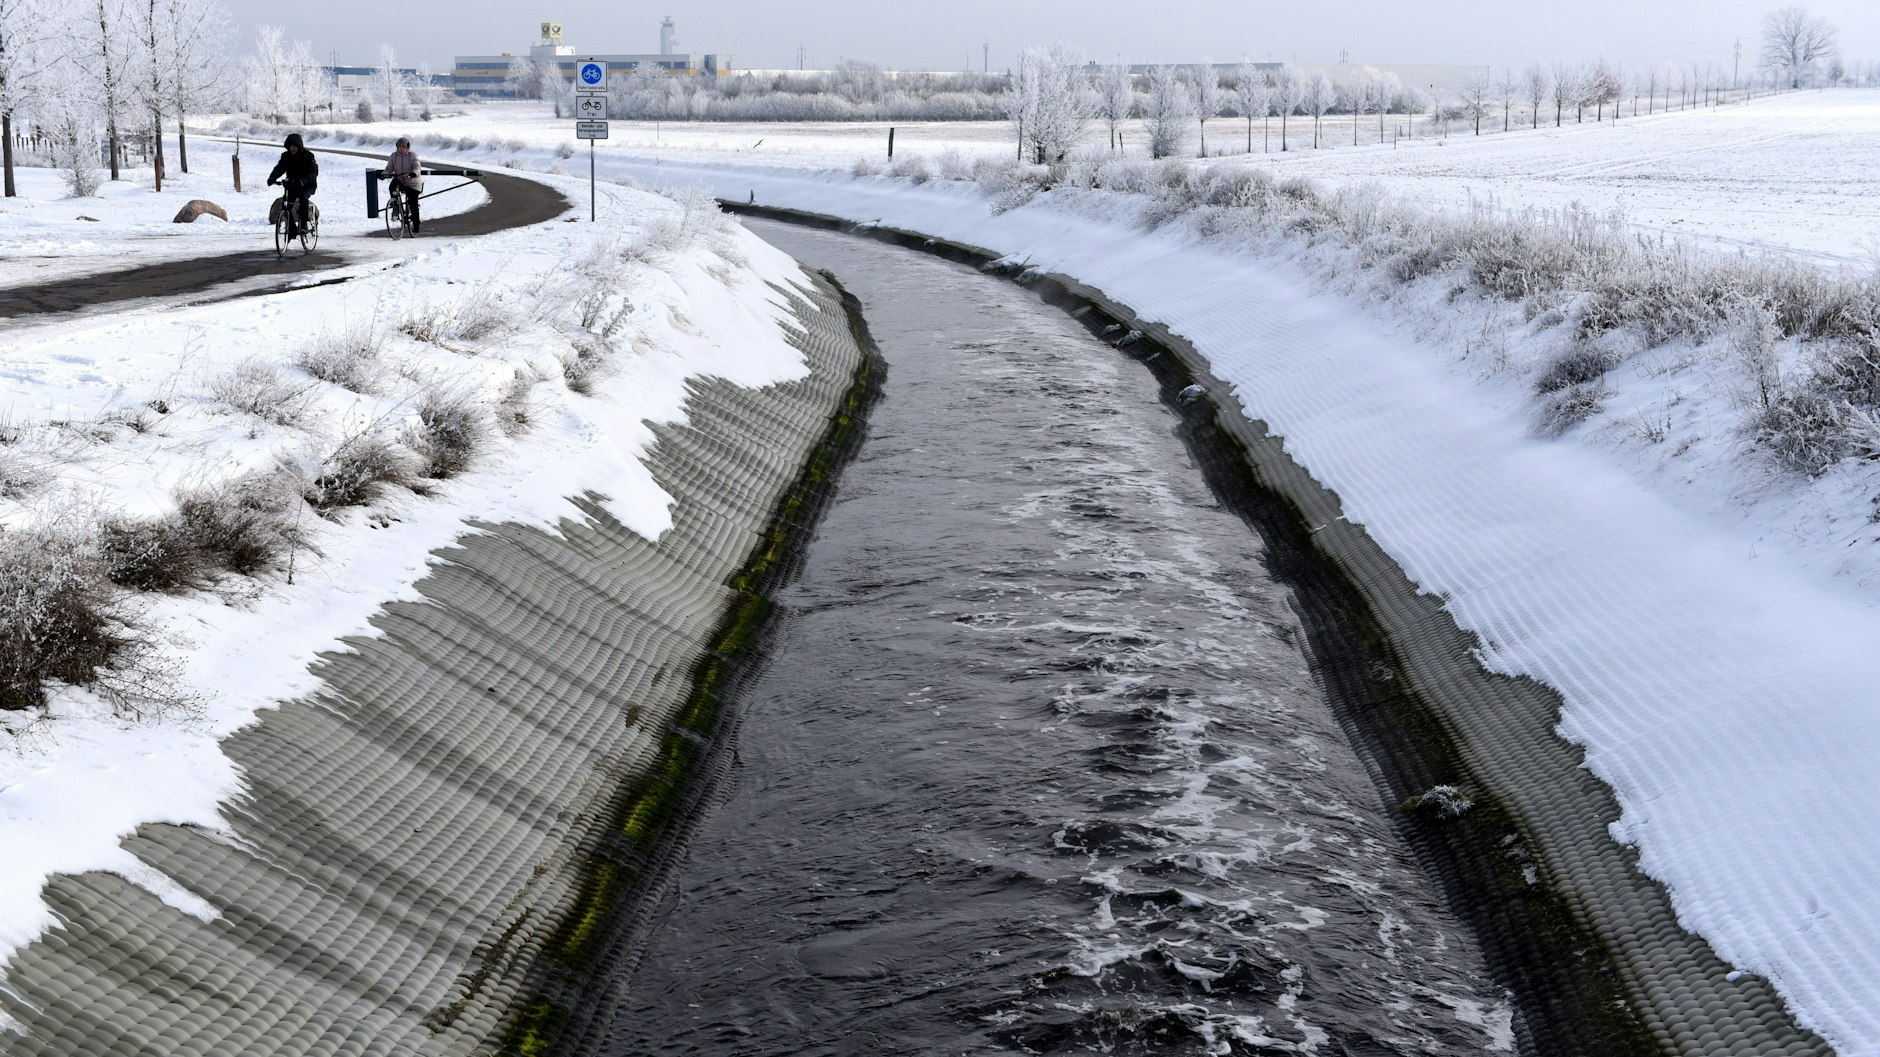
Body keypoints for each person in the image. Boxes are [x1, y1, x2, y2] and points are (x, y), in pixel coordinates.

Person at [265, 132, 319, 239]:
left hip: (307, 185)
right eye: (291, 146)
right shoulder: (286, 156)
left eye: (295, 146)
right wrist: (272, 178)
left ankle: (303, 224)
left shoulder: (308, 156)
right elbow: (279, 168)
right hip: (292, 184)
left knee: (303, 197)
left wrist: (303, 181)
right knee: (287, 204)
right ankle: (292, 230)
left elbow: (313, 173)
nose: (293, 149)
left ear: (299, 146)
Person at [378, 136, 424, 234]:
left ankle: (416, 224)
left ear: (407, 147)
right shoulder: (394, 156)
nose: (401, 149)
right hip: (401, 181)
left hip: (413, 183)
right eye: (399, 147)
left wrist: (413, 173)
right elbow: (389, 168)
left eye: (403, 147)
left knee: (413, 203)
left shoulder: (413, 156)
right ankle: (395, 207)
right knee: (393, 185)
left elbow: (417, 167)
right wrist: (384, 174)